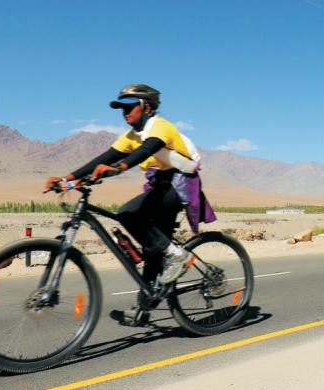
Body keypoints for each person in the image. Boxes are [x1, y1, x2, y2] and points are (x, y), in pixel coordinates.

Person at [44, 84, 216, 318]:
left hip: (179, 183)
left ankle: (178, 255)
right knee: (152, 248)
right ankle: (144, 306)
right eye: (121, 108)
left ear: (147, 107)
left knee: (128, 214)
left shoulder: (160, 127)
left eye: (130, 107)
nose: (125, 113)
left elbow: (146, 150)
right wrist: (67, 179)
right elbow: (106, 157)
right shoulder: (131, 136)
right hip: (159, 184)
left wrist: (119, 167)